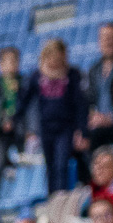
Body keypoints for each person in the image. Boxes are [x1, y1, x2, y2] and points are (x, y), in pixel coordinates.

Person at [31, 38, 87, 192]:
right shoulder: (37, 76)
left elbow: (80, 104)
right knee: (49, 166)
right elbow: (25, 103)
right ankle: (52, 198)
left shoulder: (72, 75)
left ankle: (62, 195)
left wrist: (82, 130)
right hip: (46, 127)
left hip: (66, 126)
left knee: (62, 163)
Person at [0, 46, 35, 184]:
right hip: (1, 130)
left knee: (25, 159)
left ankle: (26, 187)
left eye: (14, 61)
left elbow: (29, 108)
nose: (11, 65)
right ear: (0, 64)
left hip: (20, 129)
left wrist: (30, 129)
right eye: (7, 61)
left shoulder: (24, 83)